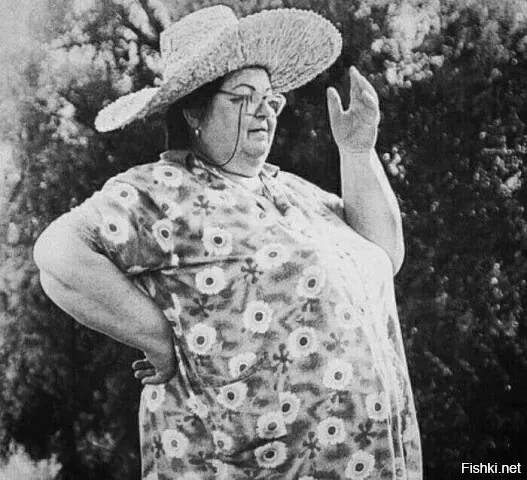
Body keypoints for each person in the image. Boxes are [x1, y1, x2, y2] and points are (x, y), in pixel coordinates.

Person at [33, 6, 422, 480]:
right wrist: (156, 335)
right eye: (243, 97)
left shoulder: (295, 192)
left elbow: (385, 254)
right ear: (194, 112)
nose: (264, 111)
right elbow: (57, 254)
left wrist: (357, 151)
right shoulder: (163, 191)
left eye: (270, 99)